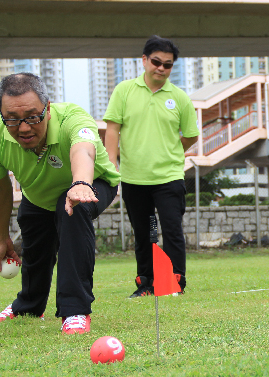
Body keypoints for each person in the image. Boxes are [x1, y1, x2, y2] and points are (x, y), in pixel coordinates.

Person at [0, 73, 120, 333]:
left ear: (48, 109)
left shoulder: (73, 119)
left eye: (33, 117)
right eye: (12, 119)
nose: (23, 128)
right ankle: (28, 307)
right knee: (34, 242)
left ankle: (75, 311)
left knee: (71, 211)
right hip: (38, 195)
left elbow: (83, 150)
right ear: (1, 115)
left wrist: (80, 184)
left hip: (92, 183)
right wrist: (0, 238)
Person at [104, 35, 200, 298]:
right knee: (146, 233)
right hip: (135, 179)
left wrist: (170, 152)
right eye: (156, 62)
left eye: (167, 65)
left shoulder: (179, 98)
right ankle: (146, 284)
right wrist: (111, 164)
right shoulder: (124, 91)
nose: (161, 68)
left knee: (171, 230)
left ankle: (174, 284)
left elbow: (191, 134)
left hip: (169, 178)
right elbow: (112, 129)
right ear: (144, 60)